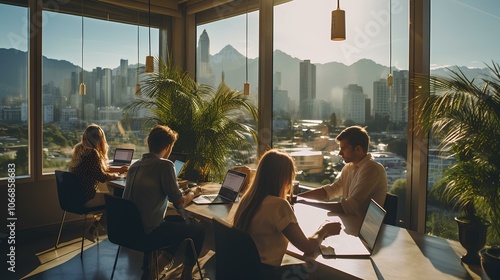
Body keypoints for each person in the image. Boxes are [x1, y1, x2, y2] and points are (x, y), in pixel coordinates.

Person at [233, 149, 341, 279]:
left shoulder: (248, 199)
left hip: (245, 270)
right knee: (321, 272)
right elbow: (307, 247)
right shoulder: (279, 205)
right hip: (267, 274)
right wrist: (324, 230)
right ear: (284, 177)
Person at [123, 125, 204, 280]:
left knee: (180, 223)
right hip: (147, 233)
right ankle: (186, 276)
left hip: (127, 231)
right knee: (197, 228)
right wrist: (193, 192)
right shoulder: (165, 165)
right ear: (168, 147)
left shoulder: (135, 166)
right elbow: (179, 203)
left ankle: (157, 267)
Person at [298, 126, 387, 218]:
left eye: (343, 149)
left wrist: (307, 203)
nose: (340, 153)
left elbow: (348, 207)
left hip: (363, 227)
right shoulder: (349, 168)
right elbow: (332, 191)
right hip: (350, 222)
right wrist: (299, 198)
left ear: (358, 149)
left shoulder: (372, 169)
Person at [69, 124, 128, 242]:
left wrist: (119, 169)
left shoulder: (80, 149)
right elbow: (102, 177)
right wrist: (116, 175)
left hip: (74, 196)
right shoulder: (92, 153)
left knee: (115, 198)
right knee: (117, 201)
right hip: (86, 197)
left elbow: (98, 168)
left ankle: (96, 227)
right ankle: (93, 229)